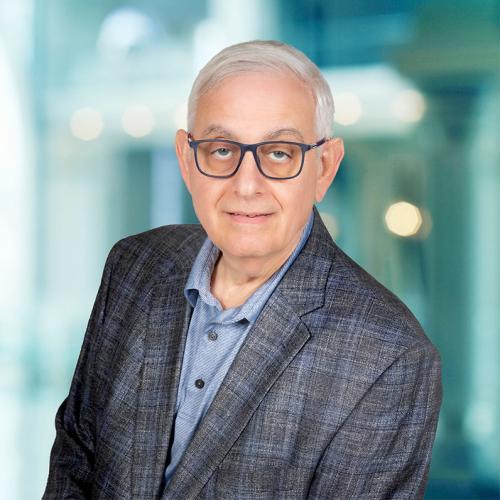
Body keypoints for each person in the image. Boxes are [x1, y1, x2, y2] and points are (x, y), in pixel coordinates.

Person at [44, 40, 442, 499]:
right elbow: (76, 454)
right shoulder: (135, 266)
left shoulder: (390, 357)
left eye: (280, 153)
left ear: (324, 168)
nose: (246, 185)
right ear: (186, 160)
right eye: (220, 150)